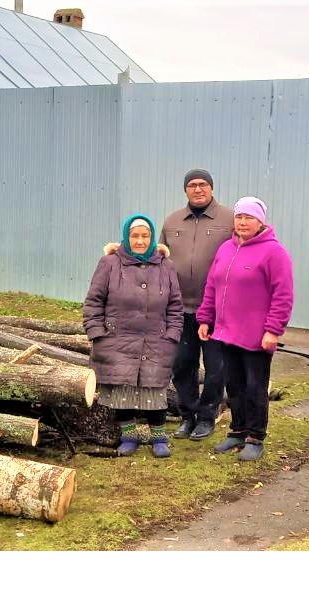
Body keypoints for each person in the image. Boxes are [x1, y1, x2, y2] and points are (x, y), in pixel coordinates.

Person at [105, 169, 234, 441]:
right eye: (192, 185)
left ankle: (207, 417)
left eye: (203, 185)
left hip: (215, 310)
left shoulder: (229, 219)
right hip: (177, 309)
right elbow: (153, 255)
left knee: (216, 367)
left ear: (211, 188)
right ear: (185, 190)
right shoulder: (173, 220)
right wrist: (121, 252)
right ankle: (187, 416)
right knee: (182, 365)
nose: (198, 189)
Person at [196, 197, 294, 462]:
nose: (242, 222)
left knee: (255, 388)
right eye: (239, 217)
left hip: (257, 337)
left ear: (261, 221)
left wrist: (273, 330)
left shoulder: (274, 252)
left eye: (249, 217)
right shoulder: (226, 248)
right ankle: (237, 431)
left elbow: (283, 295)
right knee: (234, 386)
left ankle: (255, 437)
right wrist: (205, 318)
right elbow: (212, 285)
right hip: (226, 332)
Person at [84, 214, 185, 458]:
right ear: (126, 237)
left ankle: (159, 437)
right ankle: (129, 436)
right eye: (135, 236)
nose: (140, 241)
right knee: (122, 390)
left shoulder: (166, 266)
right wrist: (97, 333)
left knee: (155, 390)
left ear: (152, 238)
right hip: (117, 339)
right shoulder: (109, 263)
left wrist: (172, 335)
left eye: (145, 236)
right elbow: (94, 301)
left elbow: (175, 306)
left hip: (156, 339)